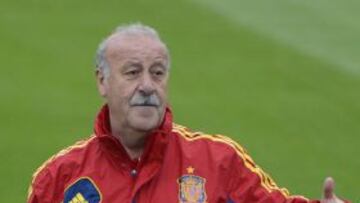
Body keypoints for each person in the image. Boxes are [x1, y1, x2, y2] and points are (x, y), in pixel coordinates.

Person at [27, 23, 348, 203]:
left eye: (157, 72)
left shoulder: (218, 161)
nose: (147, 86)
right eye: (132, 72)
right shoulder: (58, 178)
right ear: (102, 80)